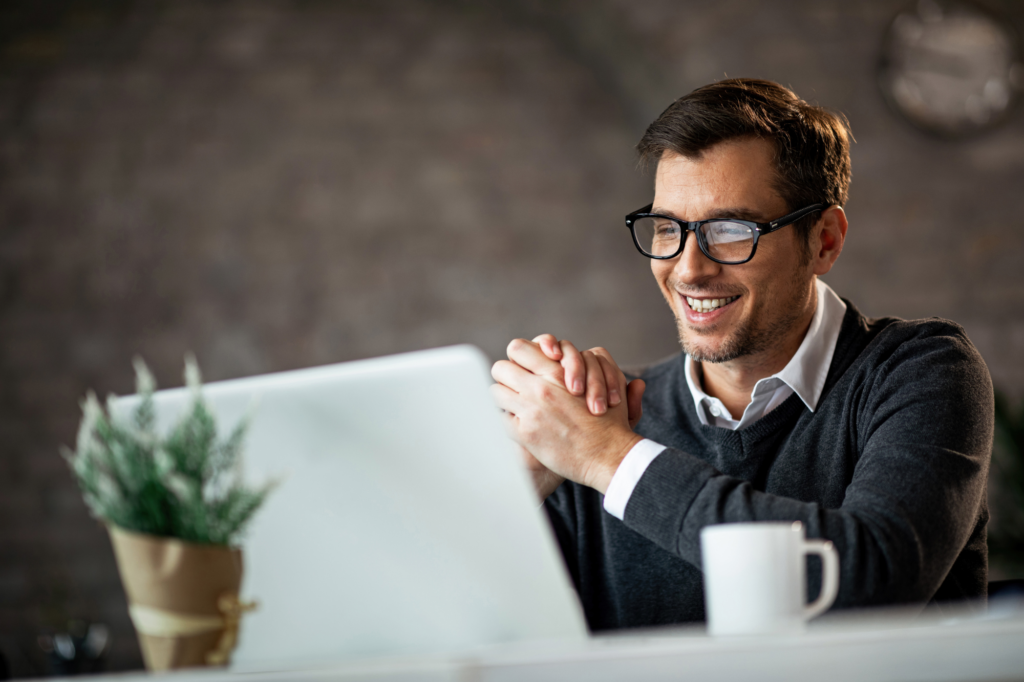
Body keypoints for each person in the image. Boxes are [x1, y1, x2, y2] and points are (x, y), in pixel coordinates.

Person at [490, 78, 993, 630]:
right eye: (667, 229)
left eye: (730, 230)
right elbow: (478, 639)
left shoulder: (923, 369)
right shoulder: (597, 420)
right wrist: (519, 492)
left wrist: (608, 460)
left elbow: (874, 574)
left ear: (824, 240)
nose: (688, 269)